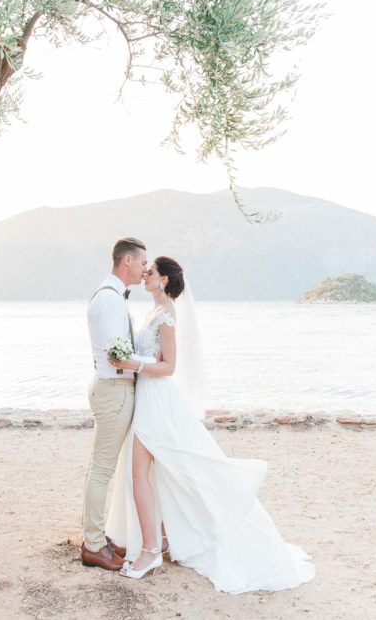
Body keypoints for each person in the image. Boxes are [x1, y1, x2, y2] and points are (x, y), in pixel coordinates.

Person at [105, 256, 315, 593]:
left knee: (138, 473)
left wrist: (133, 363)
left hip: (158, 400)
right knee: (153, 473)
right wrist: (136, 363)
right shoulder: (153, 314)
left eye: (151, 272)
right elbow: (155, 360)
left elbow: (169, 367)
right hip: (148, 397)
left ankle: (149, 551)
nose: (144, 274)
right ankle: (158, 539)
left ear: (163, 281)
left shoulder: (168, 315)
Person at [81, 237, 155, 571]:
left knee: (104, 468)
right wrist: (153, 362)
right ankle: (94, 546)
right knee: (102, 471)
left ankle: (98, 538)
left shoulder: (111, 297)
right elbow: (116, 355)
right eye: (142, 263)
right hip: (114, 390)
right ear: (127, 261)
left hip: (114, 388)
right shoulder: (109, 300)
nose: (144, 270)